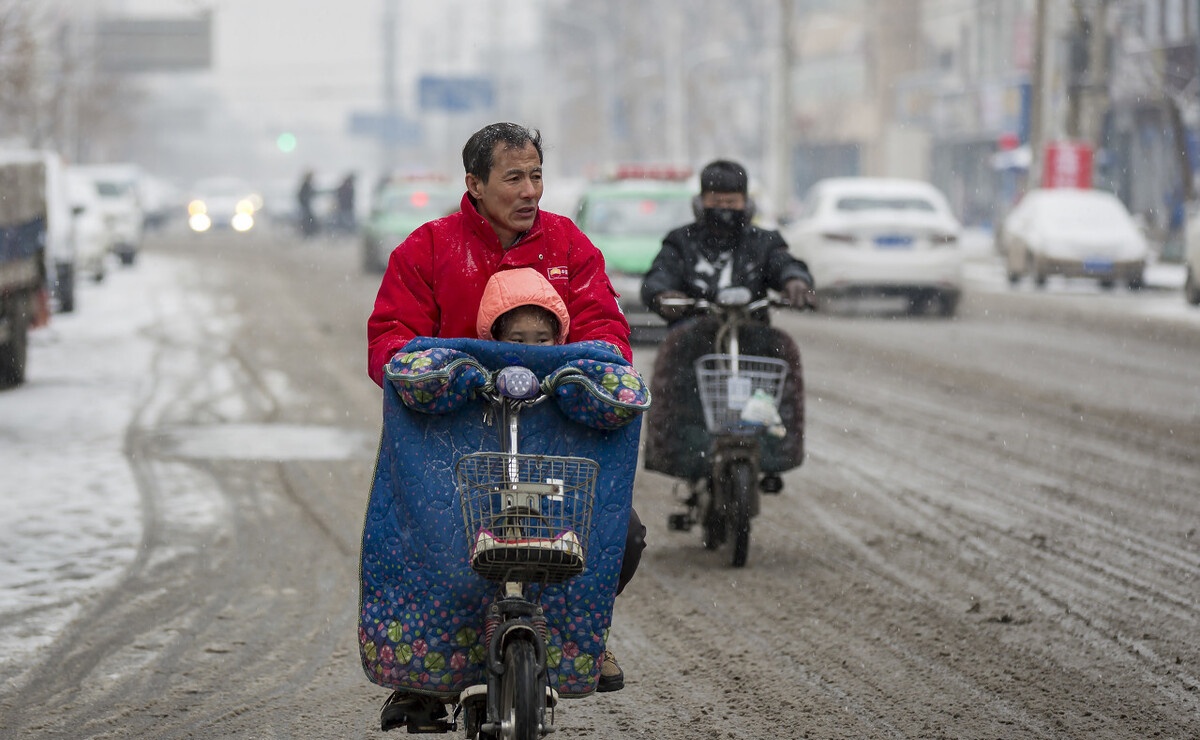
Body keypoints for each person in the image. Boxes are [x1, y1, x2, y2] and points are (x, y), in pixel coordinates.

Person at [368, 123, 640, 730]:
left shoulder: (569, 245)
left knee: (619, 539)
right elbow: (389, 340)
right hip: (452, 442)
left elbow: (608, 333)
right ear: (474, 183)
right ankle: (428, 675)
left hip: (552, 438)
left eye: (536, 175)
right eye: (513, 177)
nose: (529, 190)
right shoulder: (430, 248)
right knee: (428, 543)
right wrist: (443, 375)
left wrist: (583, 373)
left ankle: (577, 641)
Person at [640, 159, 814, 492]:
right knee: (674, 358)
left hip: (753, 335)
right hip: (694, 336)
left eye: (731, 202)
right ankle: (678, 453)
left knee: (784, 352)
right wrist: (664, 293)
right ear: (701, 201)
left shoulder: (764, 241)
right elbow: (659, 275)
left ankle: (776, 452)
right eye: (716, 202)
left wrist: (795, 280)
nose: (724, 210)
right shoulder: (681, 241)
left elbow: (785, 263)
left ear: (745, 203)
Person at [296, 170, 318, 238]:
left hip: (305, 206)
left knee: (308, 220)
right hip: (305, 206)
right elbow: (302, 196)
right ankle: (309, 233)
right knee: (308, 220)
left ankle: (308, 233)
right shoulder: (306, 185)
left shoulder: (306, 185)